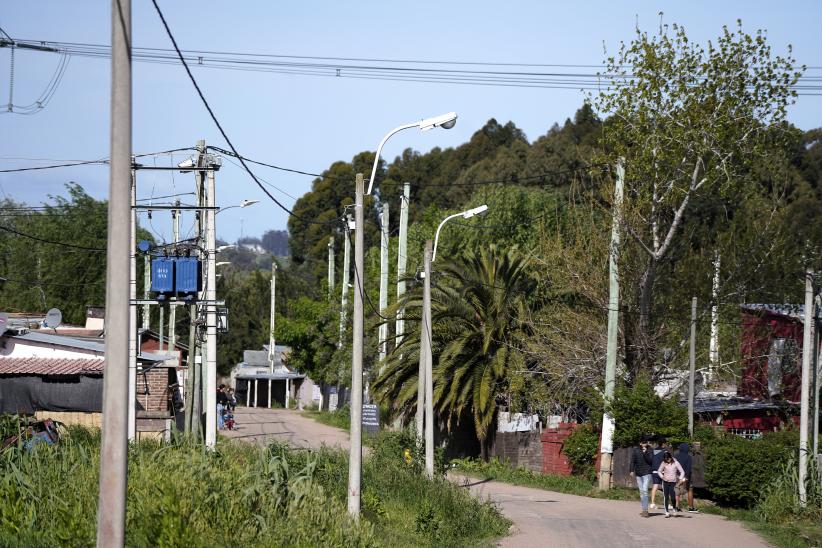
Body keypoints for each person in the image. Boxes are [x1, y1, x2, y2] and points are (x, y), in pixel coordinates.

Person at [629, 436, 654, 517]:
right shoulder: (635, 450)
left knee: (645, 491)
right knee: (641, 492)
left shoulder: (650, 450)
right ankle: (644, 509)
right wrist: (631, 470)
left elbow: (650, 461)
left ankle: (646, 511)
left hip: (647, 472)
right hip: (638, 473)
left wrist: (645, 452)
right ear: (640, 443)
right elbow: (633, 461)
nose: (644, 444)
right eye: (643, 443)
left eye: (646, 443)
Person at [657, 451, 686, 518]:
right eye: (666, 459)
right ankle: (667, 512)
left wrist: (681, 479)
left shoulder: (676, 463)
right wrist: (662, 476)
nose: (667, 460)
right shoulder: (664, 463)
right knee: (666, 497)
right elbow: (659, 471)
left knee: (673, 497)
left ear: (670, 457)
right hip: (665, 482)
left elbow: (682, 471)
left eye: (668, 458)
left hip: (673, 482)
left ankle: (674, 509)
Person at [675, 442, 699, 512]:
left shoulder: (676, 456)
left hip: (677, 476)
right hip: (686, 476)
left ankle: (677, 507)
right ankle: (691, 507)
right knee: (690, 490)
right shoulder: (688, 457)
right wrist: (686, 477)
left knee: (677, 491)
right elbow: (688, 468)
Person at [649, 438, 668, 509]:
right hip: (662, 472)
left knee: (655, 486)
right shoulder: (665, 451)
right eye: (666, 443)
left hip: (654, 471)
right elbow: (667, 461)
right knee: (665, 487)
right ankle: (666, 504)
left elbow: (651, 460)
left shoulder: (654, 451)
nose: (666, 444)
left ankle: (652, 503)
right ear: (663, 444)